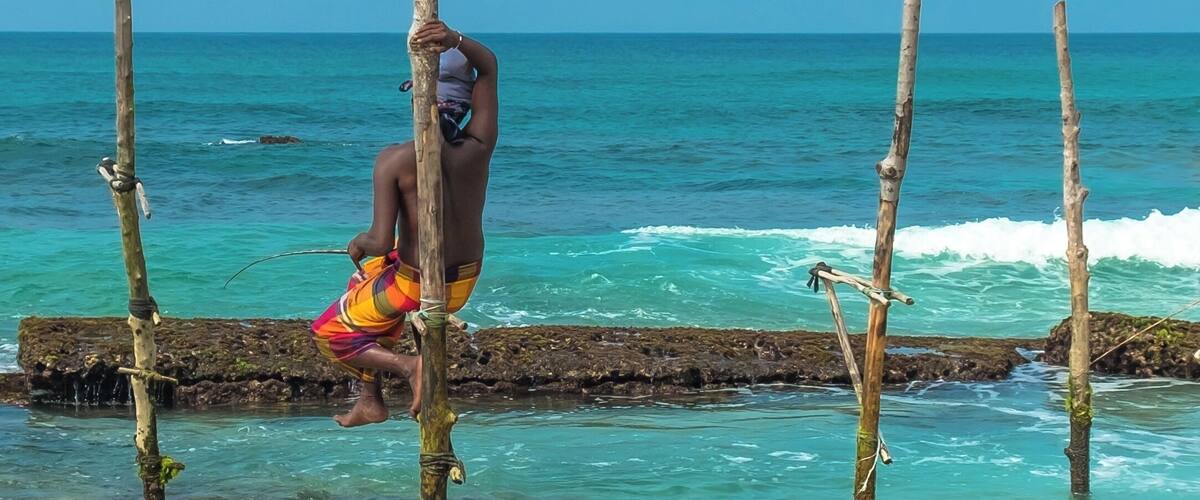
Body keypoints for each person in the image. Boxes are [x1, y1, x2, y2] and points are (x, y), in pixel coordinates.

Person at [310, 20, 498, 428]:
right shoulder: (478, 147)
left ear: (415, 95)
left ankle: (409, 367)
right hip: (463, 281)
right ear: (466, 104)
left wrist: (359, 241)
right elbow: (489, 67)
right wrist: (456, 41)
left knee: (328, 332)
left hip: (420, 285)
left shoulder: (394, 161)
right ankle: (370, 399)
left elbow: (379, 241)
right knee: (367, 280)